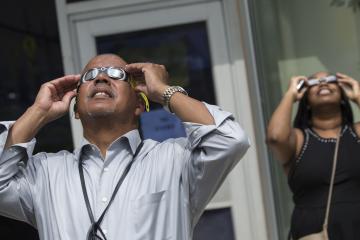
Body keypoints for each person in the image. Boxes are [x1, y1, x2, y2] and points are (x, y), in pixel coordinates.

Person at [0, 54, 250, 240]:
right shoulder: (46, 172)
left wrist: (164, 90)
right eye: (90, 76)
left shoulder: (174, 160)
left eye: (117, 74)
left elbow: (229, 140)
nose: (100, 77)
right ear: (75, 109)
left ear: (139, 105)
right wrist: (38, 113)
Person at [266, 71, 360, 239]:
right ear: (306, 102)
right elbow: (275, 137)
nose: (322, 83)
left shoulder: (356, 133)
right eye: (314, 82)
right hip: (313, 232)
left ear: (342, 96)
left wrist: (358, 96)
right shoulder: (299, 139)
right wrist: (290, 95)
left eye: (330, 80)